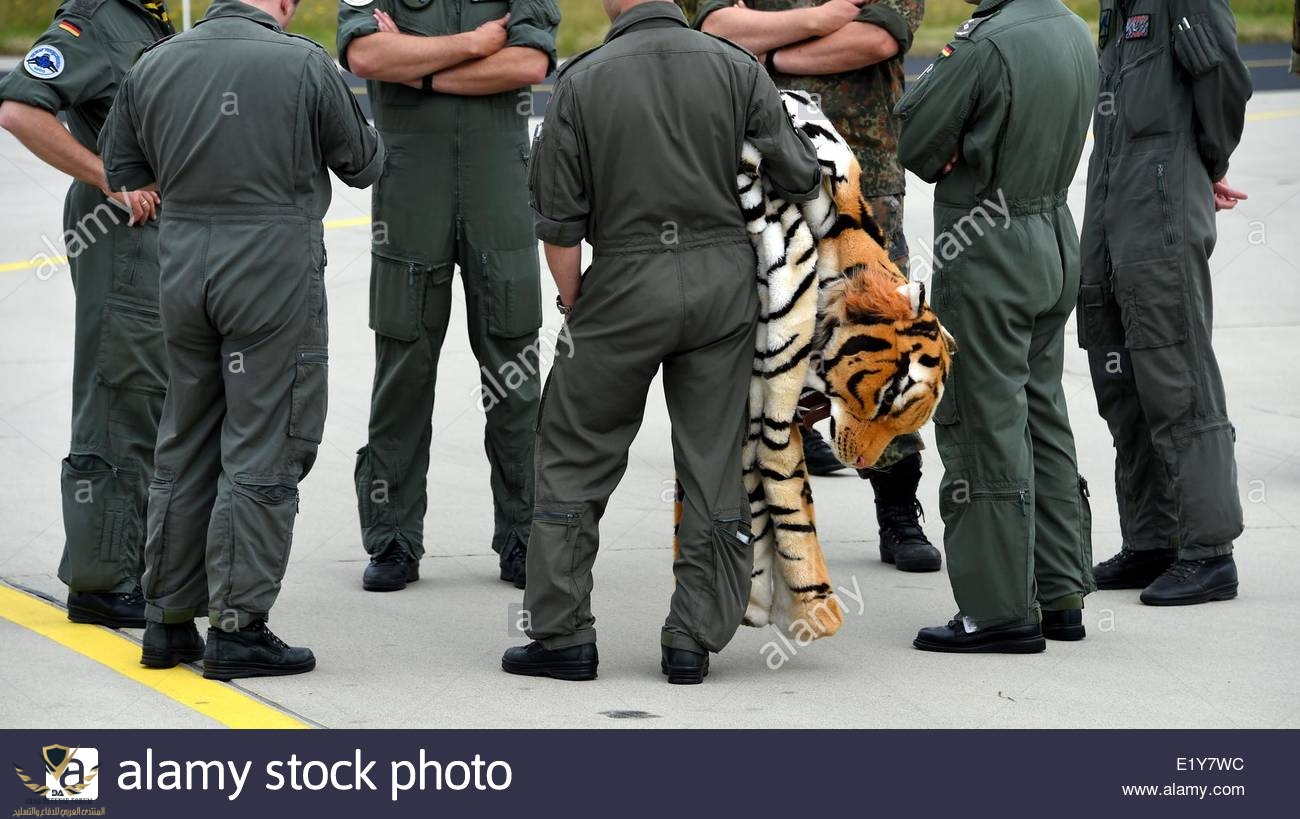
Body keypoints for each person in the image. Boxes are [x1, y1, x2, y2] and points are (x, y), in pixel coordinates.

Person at [501, 0, 821, 684]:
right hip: (722, 283)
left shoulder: (582, 82)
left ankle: (562, 634)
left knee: (574, 451)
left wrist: (575, 300)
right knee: (711, 457)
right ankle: (692, 637)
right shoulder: (736, 67)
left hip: (622, 279)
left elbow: (558, 224)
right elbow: (798, 172)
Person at [100, 0, 385, 679]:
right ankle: (238, 627)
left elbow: (122, 168)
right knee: (265, 441)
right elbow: (363, 163)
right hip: (269, 266)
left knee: (185, 436)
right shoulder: (304, 62)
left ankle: (167, 620)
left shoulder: (155, 62)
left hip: (184, 264)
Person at [682, 0, 941, 574]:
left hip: (859, 183)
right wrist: (822, 21)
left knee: (879, 338)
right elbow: (716, 28)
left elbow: (877, 40)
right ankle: (743, 519)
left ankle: (897, 509)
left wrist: (765, 55)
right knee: (752, 339)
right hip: (755, 176)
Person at [894, 0, 1097, 652]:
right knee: (1042, 414)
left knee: (983, 424)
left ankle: (999, 608)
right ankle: (1060, 591)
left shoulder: (985, 43)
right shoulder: (1071, 27)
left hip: (991, 251)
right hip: (1053, 237)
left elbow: (918, 141)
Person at [337, 0, 559, 593]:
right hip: (409, 190)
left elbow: (530, 64)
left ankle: (524, 534)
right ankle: (393, 539)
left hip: (500, 191)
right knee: (403, 363)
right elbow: (364, 54)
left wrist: (419, 69)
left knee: (513, 364)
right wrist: (476, 44)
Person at [0, 0, 173, 629]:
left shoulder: (149, 23)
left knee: (148, 392)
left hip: (151, 236)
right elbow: (20, 108)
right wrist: (110, 180)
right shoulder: (96, 20)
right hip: (119, 232)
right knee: (119, 392)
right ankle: (102, 580)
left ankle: (134, 561)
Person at [1081, 0, 1251, 605]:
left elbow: (1224, 81)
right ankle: (1153, 539)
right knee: (1119, 367)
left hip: (1160, 198)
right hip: (1111, 194)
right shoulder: (1116, 6)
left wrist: (1200, 165)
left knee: (1174, 367)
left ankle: (1207, 551)